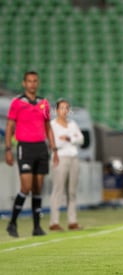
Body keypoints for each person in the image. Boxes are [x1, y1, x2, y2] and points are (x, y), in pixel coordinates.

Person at [4, 71, 59, 237]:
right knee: (26, 187)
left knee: (37, 189)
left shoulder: (43, 103)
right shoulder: (17, 103)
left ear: (38, 83)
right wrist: (8, 149)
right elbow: (9, 126)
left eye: (35, 81)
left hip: (41, 148)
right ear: (24, 83)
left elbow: (48, 127)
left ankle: (37, 227)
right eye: (29, 81)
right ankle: (12, 223)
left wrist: (54, 149)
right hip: (25, 147)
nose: (32, 84)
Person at [49, 99, 84, 231]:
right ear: (57, 110)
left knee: (72, 191)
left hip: (73, 157)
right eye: (62, 108)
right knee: (58, 190)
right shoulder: (52, 125)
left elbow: (81, 139)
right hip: (60, 157)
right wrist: (71, 138)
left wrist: (69, 138)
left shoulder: (72, 124)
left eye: (67, 108)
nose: (65, 110)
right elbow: (55, 143)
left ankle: (72, 221)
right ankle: (54, 222)